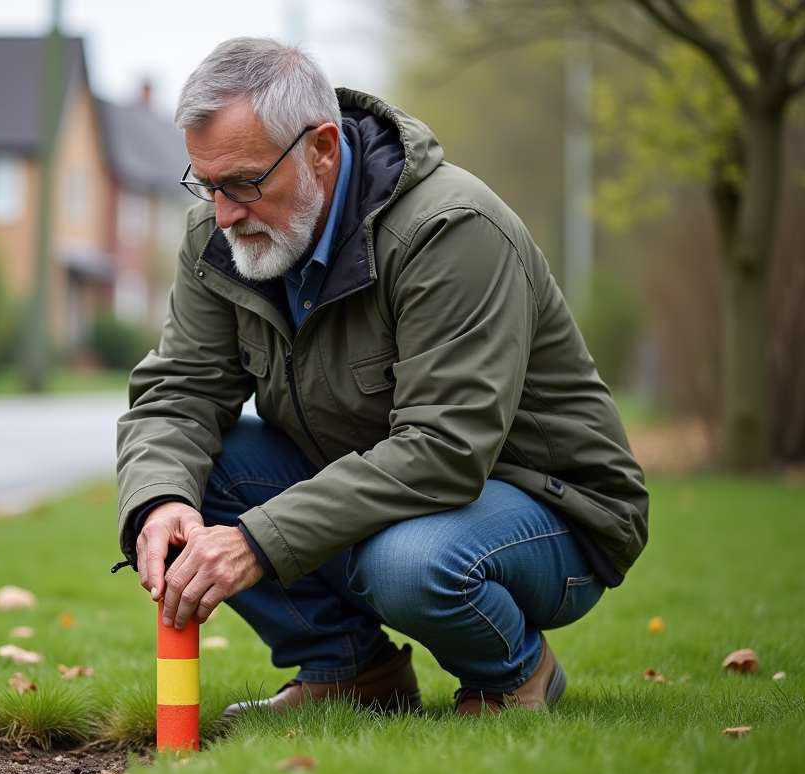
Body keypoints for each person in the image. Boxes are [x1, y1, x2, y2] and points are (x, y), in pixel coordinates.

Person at [115, 37, 648, 717]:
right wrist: (161, 504)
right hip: (385, 494)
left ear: (322, 149)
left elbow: (446, 448)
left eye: (245, 182)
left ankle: (515, 674)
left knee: (408, 562)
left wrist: (258, 539)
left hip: (547, 507)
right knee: (194, 471)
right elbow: (178, 395)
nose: (223, 213)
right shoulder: (218, 238)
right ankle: (353, 673)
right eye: (207, 185)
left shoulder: (451, 229)